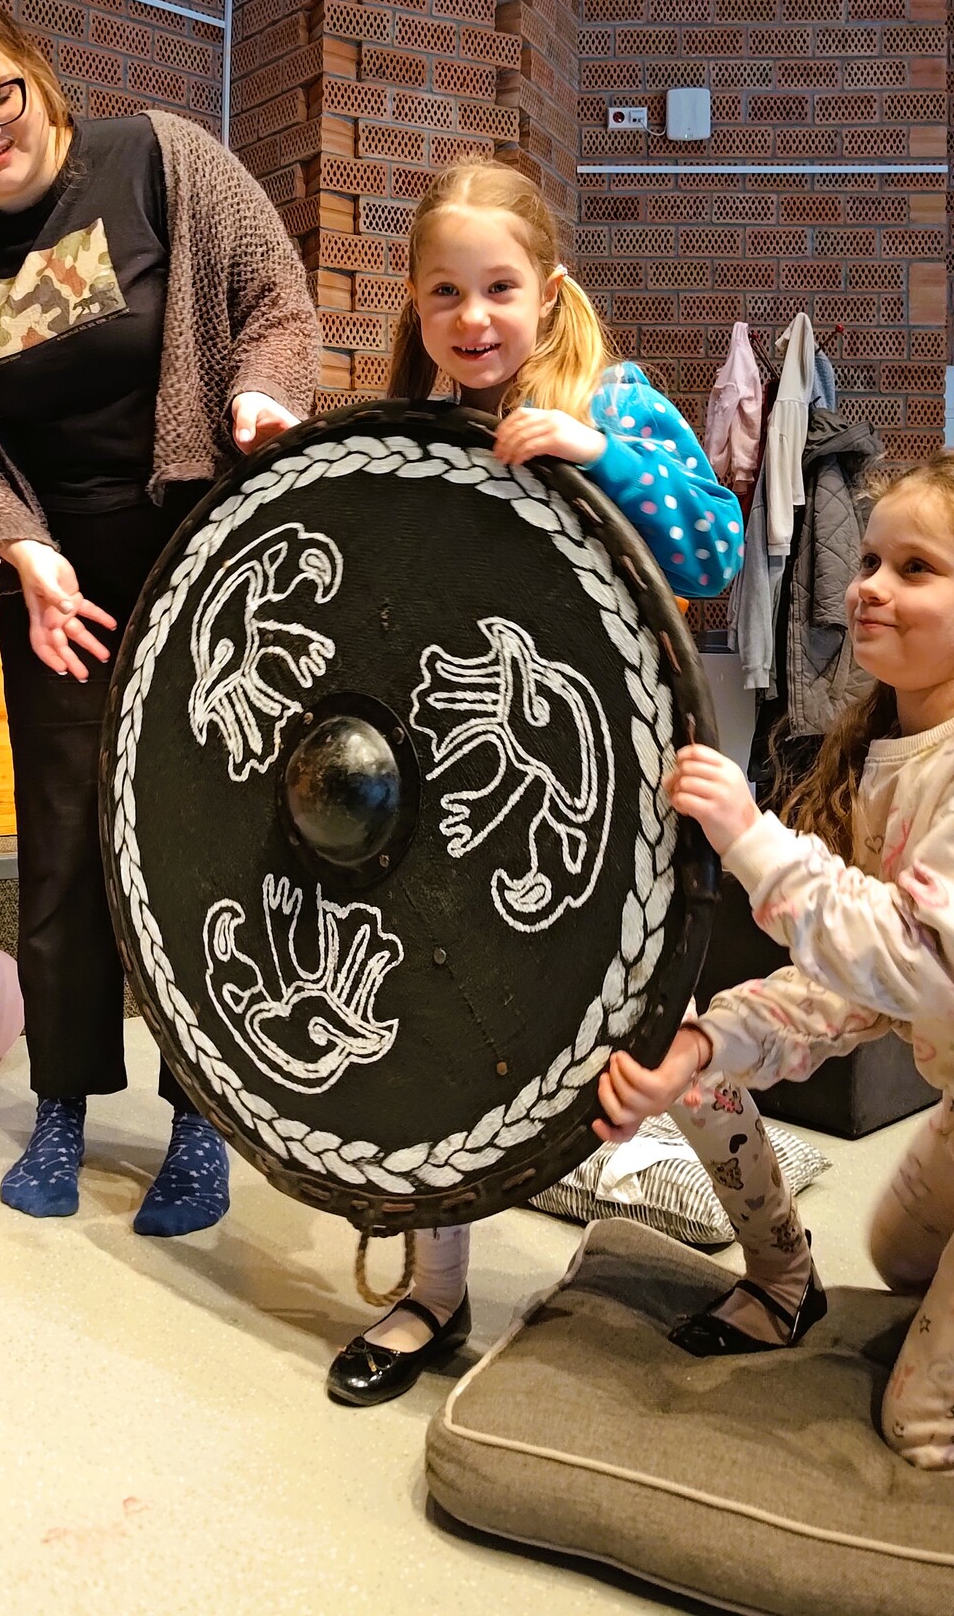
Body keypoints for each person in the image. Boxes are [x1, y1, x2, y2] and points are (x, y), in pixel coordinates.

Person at [326, 159, 780, 1406]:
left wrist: (597, 455)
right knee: (439, 1018)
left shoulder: (609, 398)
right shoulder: (417, 437)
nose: (473, 317)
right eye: (444, 293)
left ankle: (783, 1266)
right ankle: (434, 1292)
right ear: (417, 307)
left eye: (499, 288)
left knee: (656, 1036)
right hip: (458, 790)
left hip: (619, 788)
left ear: (548, 289)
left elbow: (713, 546)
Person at [0, 0, 319, 1232]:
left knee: (208, 835)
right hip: (57, 594)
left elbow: (276, 303)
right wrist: (21, 550)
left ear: (35, 67)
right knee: (65, 848)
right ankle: (63, 1102)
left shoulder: (162, 162)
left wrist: (264, 394)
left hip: (204, 569)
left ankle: (200, 1117)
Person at [598, 451, 954, 1470]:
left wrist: (752, 839)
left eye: (916, 568)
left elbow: (915, 968)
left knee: (920, 1426)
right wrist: (705, 1047)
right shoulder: (889, 752)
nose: (868, 586)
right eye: (870, 560)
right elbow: (848, 991)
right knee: (897, 1258)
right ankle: (782, 1279)